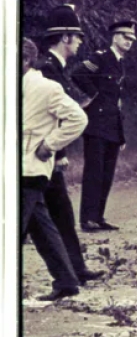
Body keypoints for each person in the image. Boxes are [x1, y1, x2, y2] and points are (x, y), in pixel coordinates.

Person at [21, 37, 95, 301]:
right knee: (40, 228)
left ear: (26, 60)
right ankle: (66, 280)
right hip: (20, 170)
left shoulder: (46, 87)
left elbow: (78, 118)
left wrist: (50, 145)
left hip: (30, 169)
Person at [36, 4, 103, 286]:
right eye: (77, 36)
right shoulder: (48, 70)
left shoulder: (56, 69)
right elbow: (48, 115)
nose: (79, 42)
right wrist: (59, 151)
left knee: (61, 213)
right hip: (42, 153)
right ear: (65, 38)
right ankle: (71, 271)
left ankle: (74, 269)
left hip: (46, 153)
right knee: (42, 216)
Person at [72, 19, 137, 232]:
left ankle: (98, 216)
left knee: (107, 173)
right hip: (96, 124)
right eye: (125, 38)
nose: (129, 42)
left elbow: (117, 100)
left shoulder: (120, 63)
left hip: (111, 125)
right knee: (94, 171)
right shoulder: (101, 58)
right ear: (115, 37)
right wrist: (94, 94)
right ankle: (87, 218)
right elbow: (78, 73)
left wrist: (121, 133)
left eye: (131, 39)